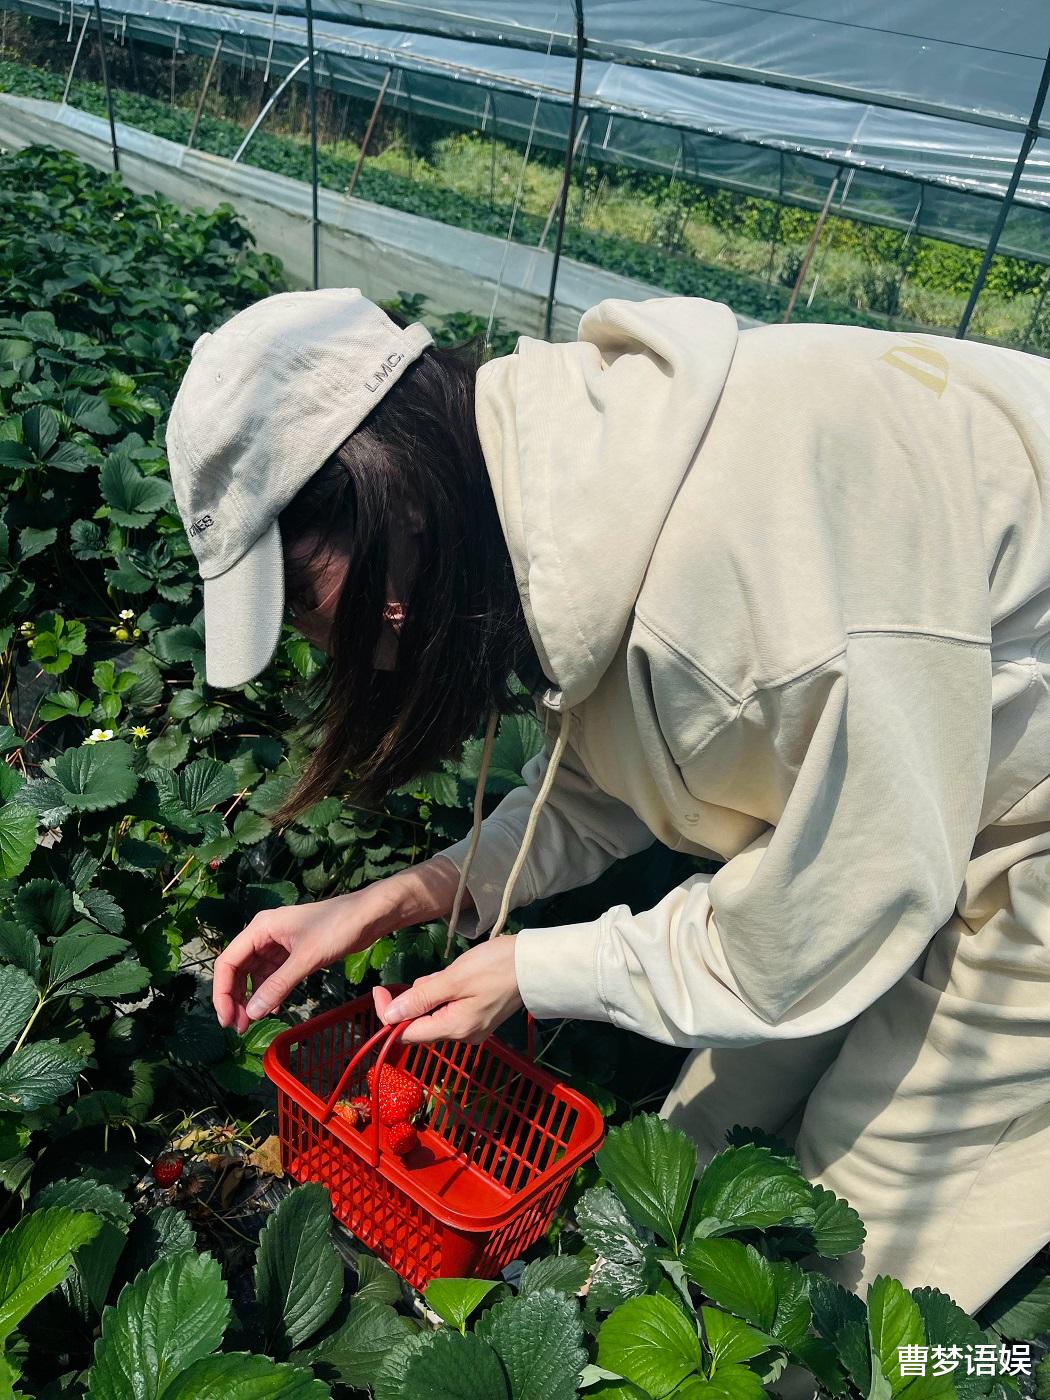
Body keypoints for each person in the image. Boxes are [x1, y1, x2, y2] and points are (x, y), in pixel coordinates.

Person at [166, 286, 1050, 1314]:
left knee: (861, 1248)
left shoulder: (760, 584)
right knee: (707, 1155)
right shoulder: (571, 488)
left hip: (1024, 833)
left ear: (386, 547)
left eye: (324, 623)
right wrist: (419, 889)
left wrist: (537, 965)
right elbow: (642, 759)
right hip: (899, 783)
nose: (352, 656)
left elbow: (824, 916)